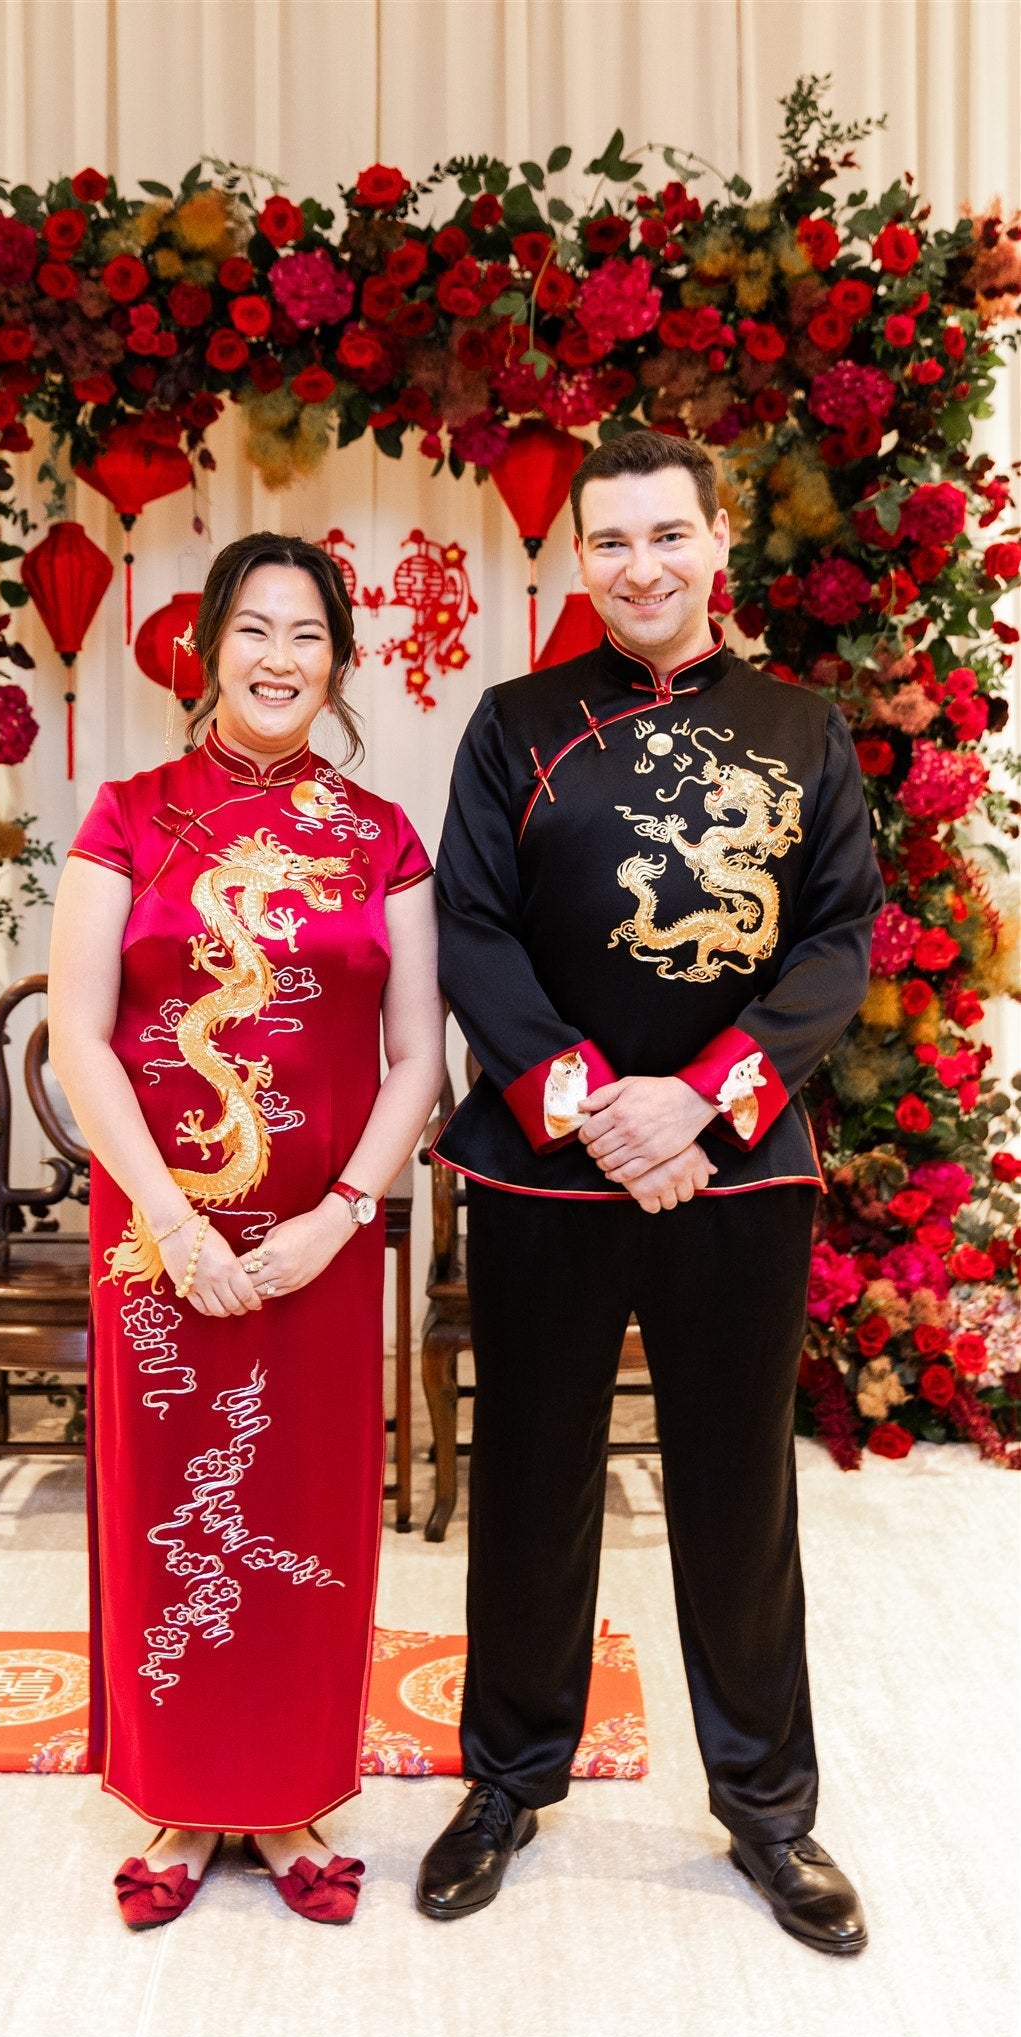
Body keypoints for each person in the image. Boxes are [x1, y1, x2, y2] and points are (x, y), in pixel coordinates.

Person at [418, 429, 882, 1954]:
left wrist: (700, 1101)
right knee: (531, 1484)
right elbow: (473, 935)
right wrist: (589, 1111)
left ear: (715, 543)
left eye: (665, 536)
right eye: (609, 542)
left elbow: (832, 944)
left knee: (736, 1493)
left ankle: (767, 1814)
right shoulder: (513, 724)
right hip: (549, 1176)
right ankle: (504, 1785)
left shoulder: (803, 728)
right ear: (578, 561)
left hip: (737, 1172)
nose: (639, 567)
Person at [48, 532, 443, 1928]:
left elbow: (416, 1063)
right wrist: (171, 1220)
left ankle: (285, 1798)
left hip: (316, 1243)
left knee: (300, 1513)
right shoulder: (129, 814)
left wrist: (343, 1220)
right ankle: (173, 1793)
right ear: (206, 645)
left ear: (338, 661)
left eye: (308, 636)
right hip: (159, 1234)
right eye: (254, 631)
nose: (279, 660)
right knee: (170, 1511)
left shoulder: (382, 834)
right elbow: (79, 1034)